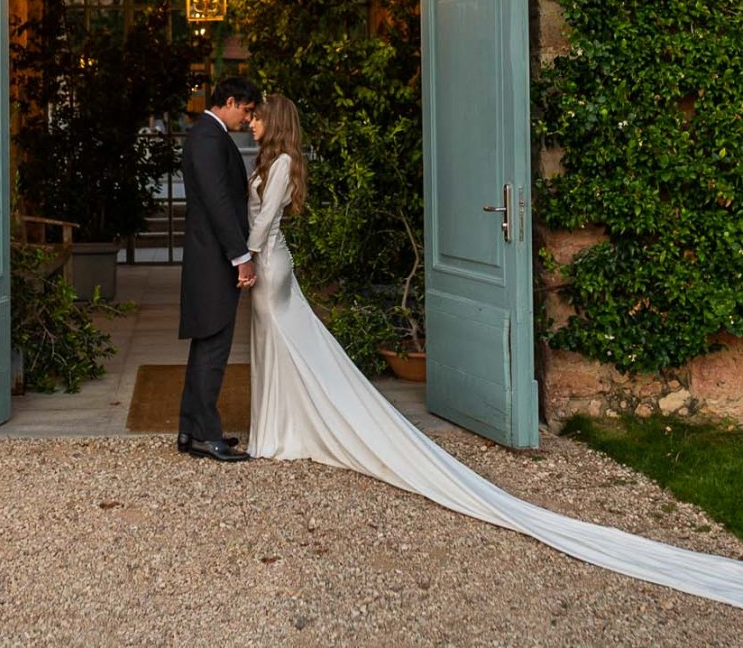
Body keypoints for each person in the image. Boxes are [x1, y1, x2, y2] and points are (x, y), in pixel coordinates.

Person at [245, 93, 743, 610]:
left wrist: (244, 258)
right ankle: (280, 426)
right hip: (267, 262)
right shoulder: (271, 161)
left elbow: (261, 226)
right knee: (279, 348)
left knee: (284, 345)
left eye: (259, 116)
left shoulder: (281, 163)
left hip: (269, 263)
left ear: (275, 122)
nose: (253, 121)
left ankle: (285, 429)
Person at [177, 76, 260, 463]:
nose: (248, 118)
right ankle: (205, 435)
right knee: (213, 345)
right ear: (229, 101)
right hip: (213, 257)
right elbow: (218, 202)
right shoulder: (209, 138)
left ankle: (191, 429)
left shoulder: (207, 134)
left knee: (206, 344)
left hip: (206, 253)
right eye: (246, 110)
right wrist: (240, 255)